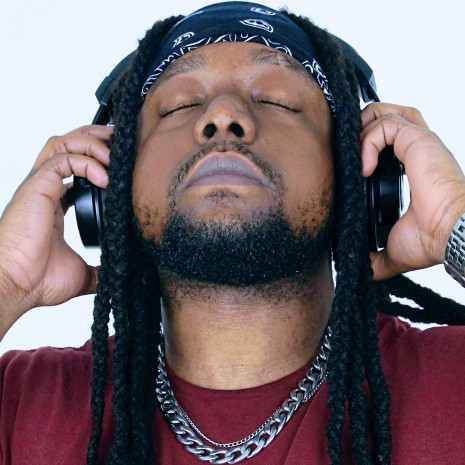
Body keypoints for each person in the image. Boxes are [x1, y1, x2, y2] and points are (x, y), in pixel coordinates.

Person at [0, 2, 465, 464]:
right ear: (110, 187)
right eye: (180, 105)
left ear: (360, 177)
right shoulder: (23, 402)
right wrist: (7, 279)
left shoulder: (453, 377)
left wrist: (454, 220)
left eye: (277, 101)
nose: (222, 114)